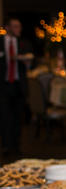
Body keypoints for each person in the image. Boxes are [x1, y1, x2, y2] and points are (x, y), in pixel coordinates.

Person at [0, 17, 32, 157]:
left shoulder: (24, 43)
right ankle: (6, 146)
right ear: (7, 27)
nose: (19, 29)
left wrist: (28, 64)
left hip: (19, 85)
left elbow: (32, 64)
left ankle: (16, 145)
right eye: (15, 26)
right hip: (3, 84)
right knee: (4, 116)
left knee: (18, 117)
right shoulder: (0, 43)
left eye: (19, 26)